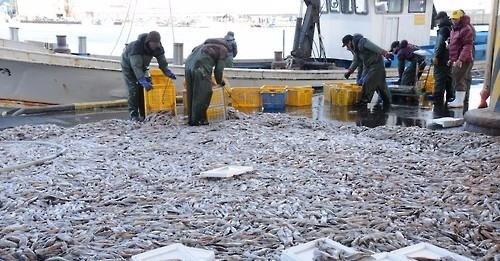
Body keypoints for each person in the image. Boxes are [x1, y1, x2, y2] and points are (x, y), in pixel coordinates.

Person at [121, 31, 176, 122]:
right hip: (128, 66)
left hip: (142, 66)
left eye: (156, 44)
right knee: (133, 89)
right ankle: (133, 114)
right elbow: (136, 66)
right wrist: (141, 79)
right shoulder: (137, 46)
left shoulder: (158, 47)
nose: (155, 47)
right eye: (153, 44)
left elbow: (162, 60)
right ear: (148, 42)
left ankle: (144, 113)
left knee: (144, 90)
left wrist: (166, 71)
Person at [184, 38, 228, 126]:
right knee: (204, 93)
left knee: (191, 92)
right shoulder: (223, 49)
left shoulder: (203, 44)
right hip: (200, 67)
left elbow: (193, 51)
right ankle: (199, 119)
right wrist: (220, 81)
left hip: (188, 65)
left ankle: (191, 119)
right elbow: (218, 70)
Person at [342, 34, 393, 106]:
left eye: (347, 45)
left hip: (376, 64)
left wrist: (385, 53)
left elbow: (374, 47)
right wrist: (349, 71)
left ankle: (364, 99)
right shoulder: (356, 49)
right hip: (368, 66)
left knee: (368, 81)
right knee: (380, 85)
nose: (347, 48)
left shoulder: (362, 42)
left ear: (350, 42)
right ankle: (388, 101)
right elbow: (356, 61)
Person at [447, 10, 474, 108]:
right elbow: (454, 46)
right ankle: (458, 100)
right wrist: (452, 59)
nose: (453, 21)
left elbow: (467, 45)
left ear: (461, 18)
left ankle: (459, 101)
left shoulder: (466, 29)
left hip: (464, 60)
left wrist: (460, 59)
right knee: (456, 76)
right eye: (452, 19)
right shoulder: (454, 29)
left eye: (456, 19)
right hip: (458, 59)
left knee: (459, 77)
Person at [432, 11, 454, 104]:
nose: (437, 22)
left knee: (439, 76)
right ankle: (450, 96)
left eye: (438, 20)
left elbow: (440, 44)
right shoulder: (451, 27)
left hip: (442, 58)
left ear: (442, 19)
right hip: (449, 56)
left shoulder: (443, 30)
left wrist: (436, 57)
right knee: (448, 77)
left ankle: (438, 97)